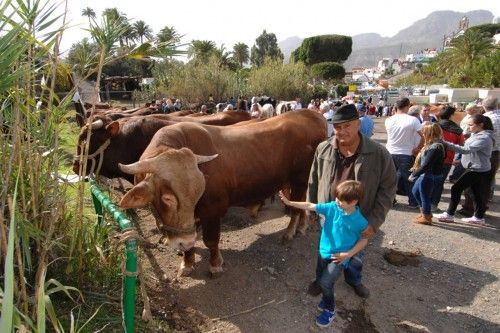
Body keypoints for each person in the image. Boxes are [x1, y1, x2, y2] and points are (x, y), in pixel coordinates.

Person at [306, 103, 397, 303]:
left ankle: (353, 280)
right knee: (325, 250)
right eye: (337, 126)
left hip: (359, 217)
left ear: (358, 124)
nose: (342, 131)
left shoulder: (378, 153)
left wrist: (374, 222)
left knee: (355, 255)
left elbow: (388, 190)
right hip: (329, 214)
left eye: (347, 125)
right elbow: (314, 179)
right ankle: (321, 280)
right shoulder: (324, 148)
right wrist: (311, 207)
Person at [279, 180, 368, 328]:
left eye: (341, 201)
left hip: (339, 258)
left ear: (354, 202)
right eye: (337, 198)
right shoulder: (333, 207)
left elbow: (364, 241)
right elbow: (310, 205)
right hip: (323, 252)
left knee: (325, 282)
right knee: (322, 278)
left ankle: (330, 309)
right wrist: (289, 203)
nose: (337, 202)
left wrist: (348, 254)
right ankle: (328, 297)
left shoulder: (360, 221)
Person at [434, 115, 495, 225]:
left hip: (477, 169)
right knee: (475, 193)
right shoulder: (477, 134)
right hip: (476, 167)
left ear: (481, 125)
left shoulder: (484, 137)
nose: (468, 127)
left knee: (456, 188)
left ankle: (449, 214)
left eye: (471, 125)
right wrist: (460, 160)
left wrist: (445, 143)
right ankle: (478, 217)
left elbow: (466, 150)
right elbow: (468, 148)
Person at [385, 97, 423, 208]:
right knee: (409, 179)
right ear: (407, 106)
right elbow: (423, 135)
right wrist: (418, 148)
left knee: (389, 179)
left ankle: (390, 200)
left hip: (390, 151)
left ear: (396, 107)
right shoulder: (413, 120)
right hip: (406, 153)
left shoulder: (389, 120)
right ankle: (413, 202)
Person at [408, 123, 445, 225]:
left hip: (430, 175)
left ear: (430, 133)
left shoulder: (435, 147)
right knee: (415, 192)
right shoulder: (431, 144)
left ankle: (426, 217)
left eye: (424, 133)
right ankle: (425, 212)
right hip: (425, 174)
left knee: (424, 195)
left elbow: (426, 165)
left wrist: (413, 174)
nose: (423, 135)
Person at [430, 106, 464, 212]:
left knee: (428, 179)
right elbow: (461, 144)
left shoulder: (435, 126)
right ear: (451, 115)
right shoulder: (457, 130)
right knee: (439, 182)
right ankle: (433, 204)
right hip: (447, 159)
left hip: (431, 156)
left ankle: (424, 202)